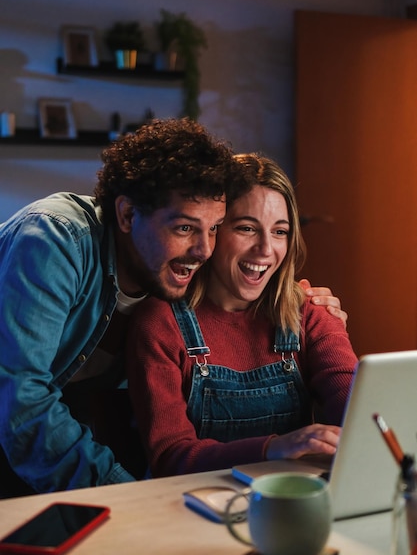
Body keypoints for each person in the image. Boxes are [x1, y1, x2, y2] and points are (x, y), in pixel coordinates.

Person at [0, 118, 346, 498]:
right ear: (128, 216)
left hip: (49, 437)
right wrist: (127, 499)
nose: (203, 250)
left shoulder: (166, 280)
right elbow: (21, 401)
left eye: (214, 228)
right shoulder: (55, 240)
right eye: (184, 229)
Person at [126, 153, 358, 478]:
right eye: (247, 228)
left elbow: (355, 409)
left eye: (280, 231)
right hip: (190, 507)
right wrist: (273, 448)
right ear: (213, 232)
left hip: (287, 502)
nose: (265, 249)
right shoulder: (160, 322)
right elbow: (171, 457)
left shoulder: (309, 311)